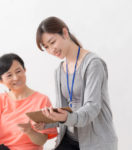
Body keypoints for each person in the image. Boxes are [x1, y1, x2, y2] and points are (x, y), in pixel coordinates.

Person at [35, 16, 118, 150]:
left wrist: (66, 117)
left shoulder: (93, 64)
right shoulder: (59, 71)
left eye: (52, 42)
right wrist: (46, 123)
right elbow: (62, 110)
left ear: (65, 33)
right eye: (47, 47)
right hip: (69, 139)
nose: (52, 50)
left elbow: (92, 107)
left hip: (95, 143)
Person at [0, 53, 57, 150]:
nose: (16, 78)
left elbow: (42, 140)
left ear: (24, 70)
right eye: (9, 75)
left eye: (18, 71)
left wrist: (30, 131)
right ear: (1, 81)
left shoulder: (42, 100)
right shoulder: (2, 100)